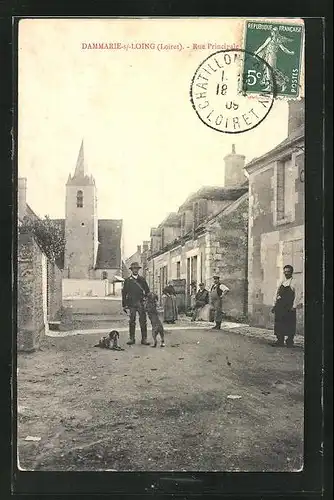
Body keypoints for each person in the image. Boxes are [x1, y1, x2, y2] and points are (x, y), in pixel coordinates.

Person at [271, 265, 303, 347]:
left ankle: (289, 341)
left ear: (291, 272)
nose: (286, 273)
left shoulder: (295, 282)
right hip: (280, 306)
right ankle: (280, 340)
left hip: (289, 306)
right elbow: (276, 293)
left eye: (288, 272)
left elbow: (298, 295)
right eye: (285, 272)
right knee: (279, 323)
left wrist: (294, 306)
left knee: (289, 323)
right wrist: (275, 304)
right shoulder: (282, 281)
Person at [122, 262, 150, 345]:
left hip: (141, 303)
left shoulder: (142, 280)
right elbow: (124, 293)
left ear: (138, 270)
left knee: (143, 321)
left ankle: (144, 339)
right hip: (131, 304)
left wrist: (146, 300)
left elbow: (147, 291)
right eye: (134, 268)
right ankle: (132, 338)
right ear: (131, 270)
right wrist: (124, 305)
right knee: (132, 321)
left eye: (137, 269)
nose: (135, 270)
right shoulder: (127, 281)